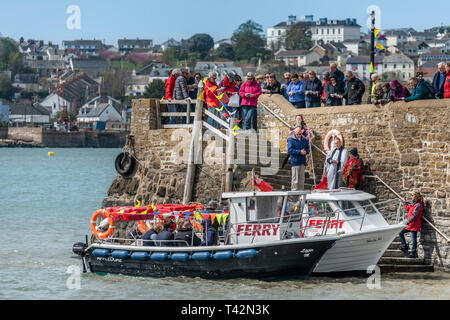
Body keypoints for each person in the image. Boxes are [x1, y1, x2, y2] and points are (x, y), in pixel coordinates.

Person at [399, 190, 424, 258]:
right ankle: (404, 246)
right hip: (410, 224)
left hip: (414, 224)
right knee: (400, 232)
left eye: (412, 195)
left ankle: (413, 253)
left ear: (415, 196)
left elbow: (415, 215)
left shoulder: (418, 204)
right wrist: (404, 203)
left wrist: (408, 221)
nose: (411, 196)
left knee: (413, 240)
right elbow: (409, 208)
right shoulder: (414, 204)